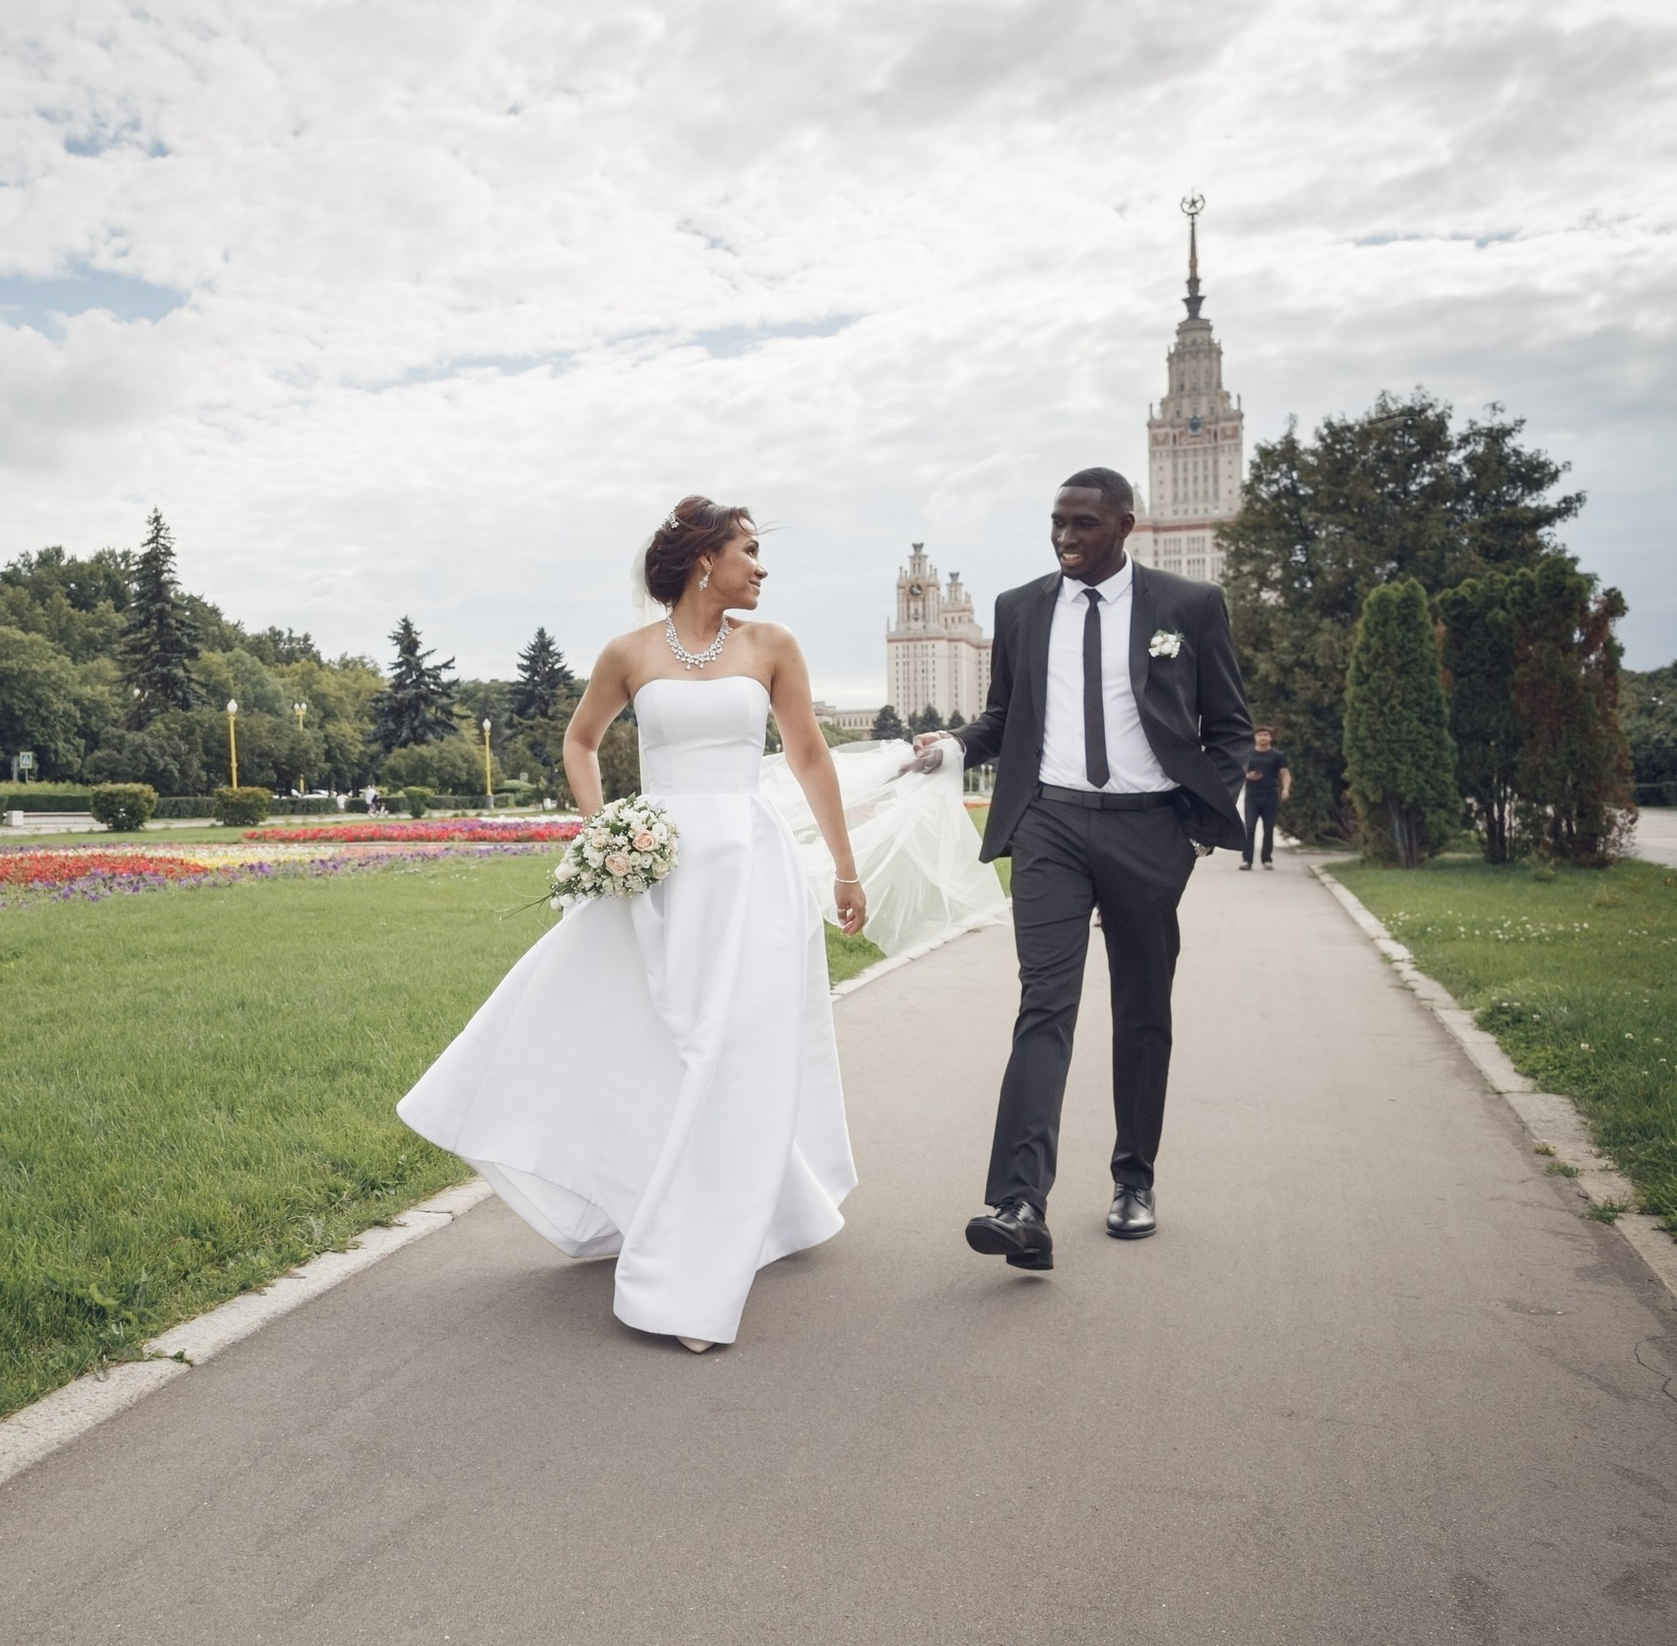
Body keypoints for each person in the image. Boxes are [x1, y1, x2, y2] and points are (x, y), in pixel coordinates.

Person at [398, 497, 866, 1353]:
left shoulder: (773, 647)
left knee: (732, 1055)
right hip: (659, 874)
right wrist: (603, 827)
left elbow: (807, 756)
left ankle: (696, 1270)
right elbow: (582, 743)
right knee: (668, 1045)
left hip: (750, 874)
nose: (762, 568)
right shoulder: (628, 654)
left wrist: (842, 865)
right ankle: (702, 1200)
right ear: (702, 560)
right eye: (749, 551)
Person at [913, 468, 1252, 1268]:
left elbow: (1229, 728)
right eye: (1057, 523)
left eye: (1084, 525)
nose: (1066, 538)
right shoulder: (1021, 609)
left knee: (1141, 1011)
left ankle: (1134, 1178)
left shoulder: (1188, 608)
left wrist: (1196, 834)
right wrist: (955, 746)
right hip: (1050, 827)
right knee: (1044, 1004)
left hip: (1151, 831)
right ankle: (1018, 1200)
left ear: (1124, 527)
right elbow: (1005, 717)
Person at [1240, 727, 1289, 870]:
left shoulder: (1277, 755)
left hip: (1270, 795)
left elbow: (1285, 773)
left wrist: (1285, 789)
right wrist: (1249, 776)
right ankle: (1246, 860)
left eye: (1265, 735)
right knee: (1249, 828)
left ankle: (1267, 859)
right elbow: (1237, 772)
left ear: (1270, 738)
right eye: (1260, 735)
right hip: (1252, 796)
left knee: (1268, 829)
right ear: (1255, 737)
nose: (1262, 737)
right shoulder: (1248, 754)